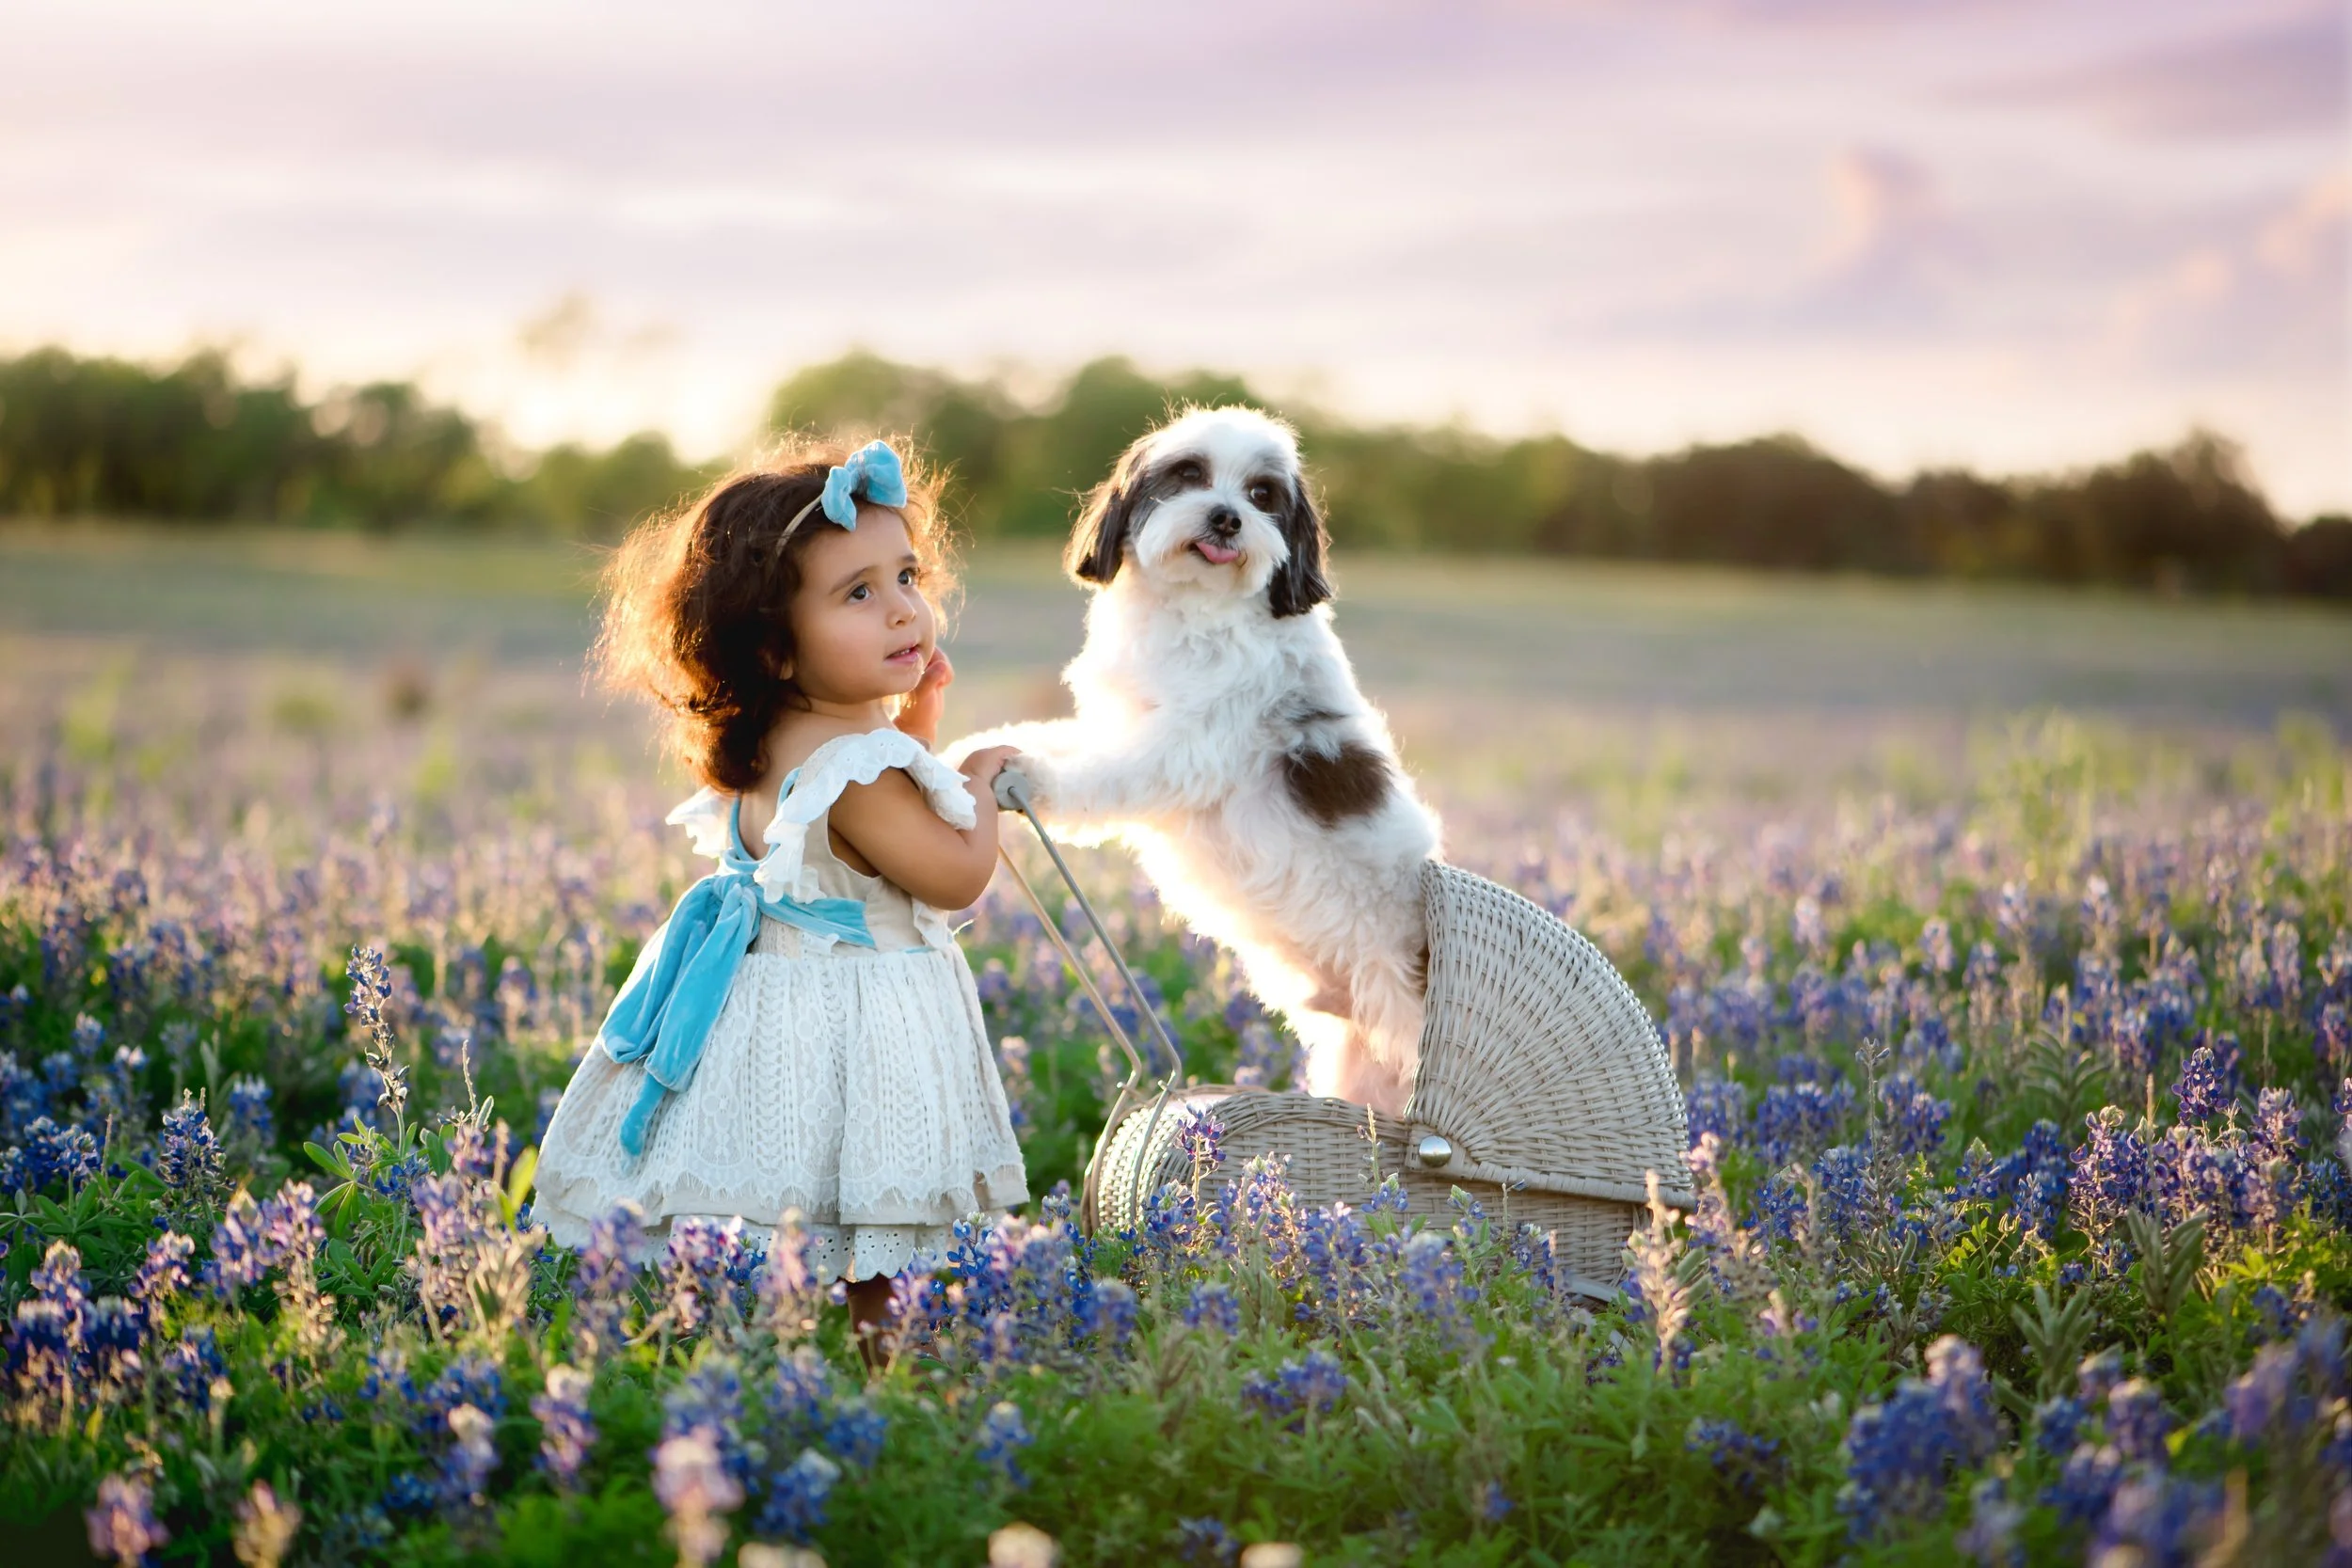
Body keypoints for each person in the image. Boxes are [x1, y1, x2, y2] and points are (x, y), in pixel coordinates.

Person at [531, 436, 1028, 1360]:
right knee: (881, 1241)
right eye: (858, 593)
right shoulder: (855, 769)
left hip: (776, 1025)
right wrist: (982, 782)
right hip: (862, 1030)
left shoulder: (783, 739)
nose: (903, 610)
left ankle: (740, 1367)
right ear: (773, 642)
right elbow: (953, 874)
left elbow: (865, 816)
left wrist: (914, 726)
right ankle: (892, 1381)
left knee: (786, 1225)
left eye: (907, 576)